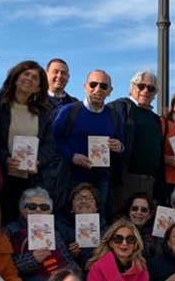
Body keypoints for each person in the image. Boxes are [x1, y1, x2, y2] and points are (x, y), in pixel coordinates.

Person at [0, 60, 55, 223]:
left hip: (30, 179)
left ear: (39, 88)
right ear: (15, 78)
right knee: (1, 221)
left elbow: (50, 144)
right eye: (26, 74)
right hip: (1, 177)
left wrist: (39, 161)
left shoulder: (44, 113)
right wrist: (5, 158)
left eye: (35, 78)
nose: (29, 79)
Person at [53, 70, 124, 218]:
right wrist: (72, 156)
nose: (98, 89)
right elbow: (55, 140)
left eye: (103, 86)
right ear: (85, 87)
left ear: (110, 91)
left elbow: (122, 144)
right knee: (69, 217)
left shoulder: (114, 117)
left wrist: (120, 146)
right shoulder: (69, 111)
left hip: (101, 178)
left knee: (99, 218)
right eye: (93, 84)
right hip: (73, 176)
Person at [4, 187, 80, 281]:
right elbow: (8, 266)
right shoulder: (11, 231)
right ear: (22, 209)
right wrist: (32, 258)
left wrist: (75, 273)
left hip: (59, 275)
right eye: (32, 206)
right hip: (31, 279)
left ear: (49, 211)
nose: (38, 210)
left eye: (44, 207)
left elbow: (67, 259)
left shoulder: (55, 229)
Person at [109, 70, 165, 211]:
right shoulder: (120, 107)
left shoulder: (155, 118)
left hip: (149, 182)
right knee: (121, 219)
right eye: (141, 86)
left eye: (151, 88)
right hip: (126, 179)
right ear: (132, 87)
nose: (146, 90)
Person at [55, 183, 105, 270]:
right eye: (79, 198)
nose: (83, 201)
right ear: (72, 206)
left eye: (89, 198)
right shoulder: (59, 226)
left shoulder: (106, 228)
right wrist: (69, 254)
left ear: (96, 207)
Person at [122, 192, 158, 258]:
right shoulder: (117, 230)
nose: (139, 212)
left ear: (150, 214)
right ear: (129, 211)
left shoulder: (157, 236)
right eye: (134, 209)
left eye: (144, 210)